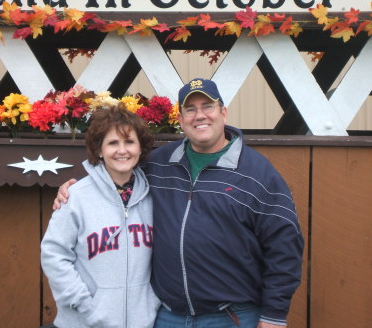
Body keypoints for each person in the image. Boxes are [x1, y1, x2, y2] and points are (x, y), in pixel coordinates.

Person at [54, 78, 304, 328]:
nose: (199, 116)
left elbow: (284, 246)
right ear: (181, 120)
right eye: (190, 109)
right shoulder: (158, 164)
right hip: (168, 316)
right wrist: (76, 190)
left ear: (223, 113)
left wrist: (274, 315)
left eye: (208, 106)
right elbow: (118, 171)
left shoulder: (258, 173)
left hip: (231, 317)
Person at [41, 103, 160, 328]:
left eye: (129, 142)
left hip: (142, 322)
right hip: (84, 322)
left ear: (140, 148)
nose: (122, 150)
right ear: (99, 150)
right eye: (113, 143)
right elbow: (54, 254)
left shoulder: (154, 197)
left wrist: (152, 303)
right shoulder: (76, 197)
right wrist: (85, 305)